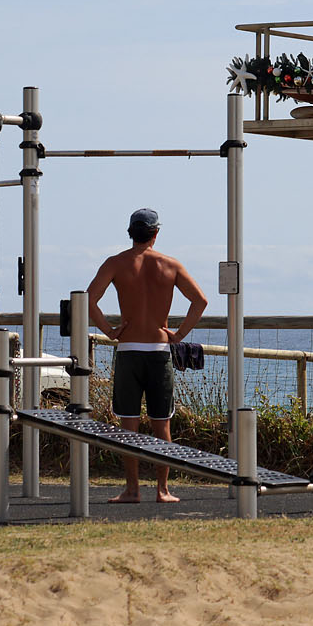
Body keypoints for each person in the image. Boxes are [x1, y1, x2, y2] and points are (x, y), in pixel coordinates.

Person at [86, 207, 207, 504]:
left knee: (129, 424)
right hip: (158, 351)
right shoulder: (169, 264)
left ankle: (132, 490)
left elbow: (89, 300)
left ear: (130, 233)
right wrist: (178, 336)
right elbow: (200, 301)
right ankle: (162, 490)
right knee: (160, 424)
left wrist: (109, 331)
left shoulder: (115, 263)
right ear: (156, 234)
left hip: (128, 351)